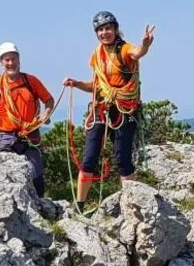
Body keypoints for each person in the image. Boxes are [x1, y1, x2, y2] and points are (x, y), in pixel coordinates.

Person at [62, 11, 155, 205]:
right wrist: (77, 84)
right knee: (89, 158)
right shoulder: (97, 54)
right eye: (100, 30)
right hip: (101, 107)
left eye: (108, 28)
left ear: (115, 29)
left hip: (124, 109)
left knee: (123, 159)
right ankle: (80, 204)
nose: (104, 33)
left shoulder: (124, 49)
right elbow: (96, 85)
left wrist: (145, 45)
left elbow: (136, 53)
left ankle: (131, 204)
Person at [0, 41, 56, 196]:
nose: (11, 63)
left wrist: (46, 115)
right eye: (7, 60)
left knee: (36, 175)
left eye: (13, 59)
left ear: (19, 59)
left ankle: (39, 204)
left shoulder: (30, 81)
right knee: (8, 178)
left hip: (30, 135)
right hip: (7, 137)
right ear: (1, 62)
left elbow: (49, 100)